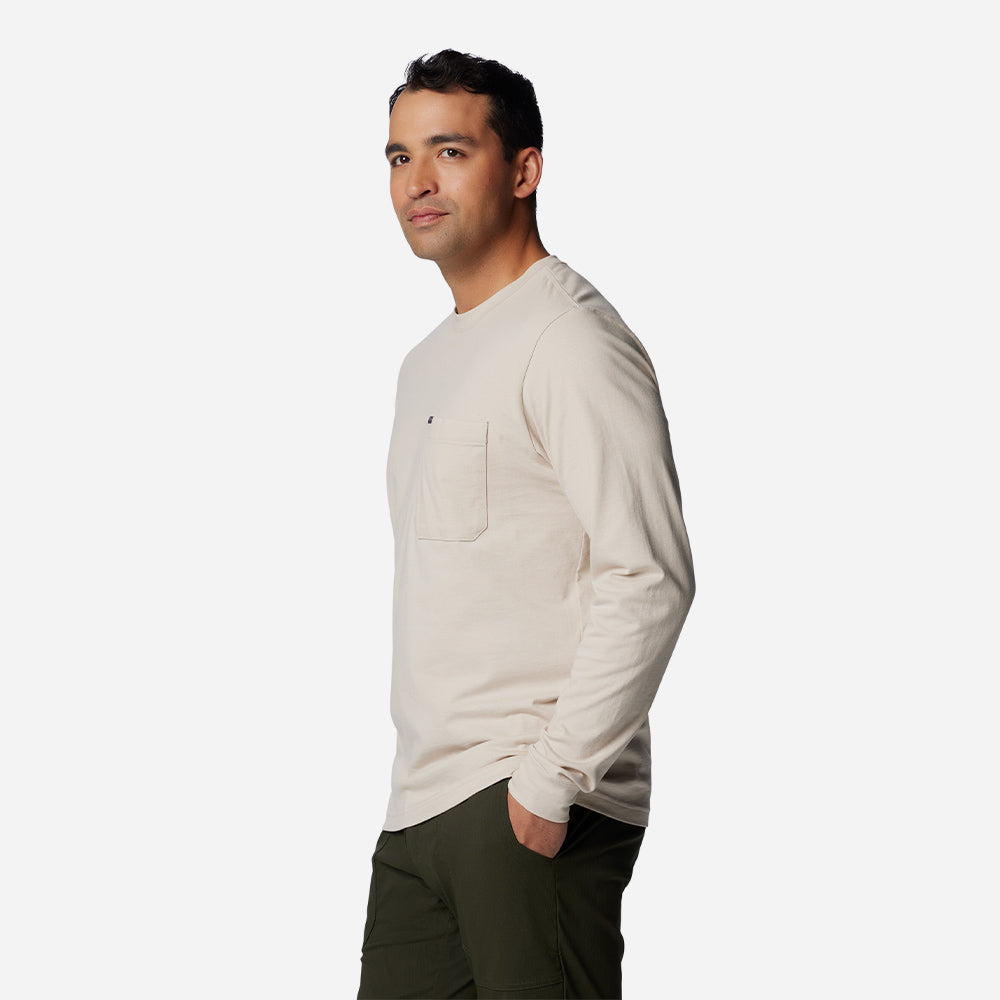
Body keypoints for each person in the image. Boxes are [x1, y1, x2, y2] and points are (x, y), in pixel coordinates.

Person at [357, 49, 695, 1000]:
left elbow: (651, 575)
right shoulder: (427, 363)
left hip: (529, 801)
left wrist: (554, 781)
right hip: (421, 807)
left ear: (524, 170)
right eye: (399, 157)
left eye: (450, 151)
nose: (417, 182)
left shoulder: (570, 339)